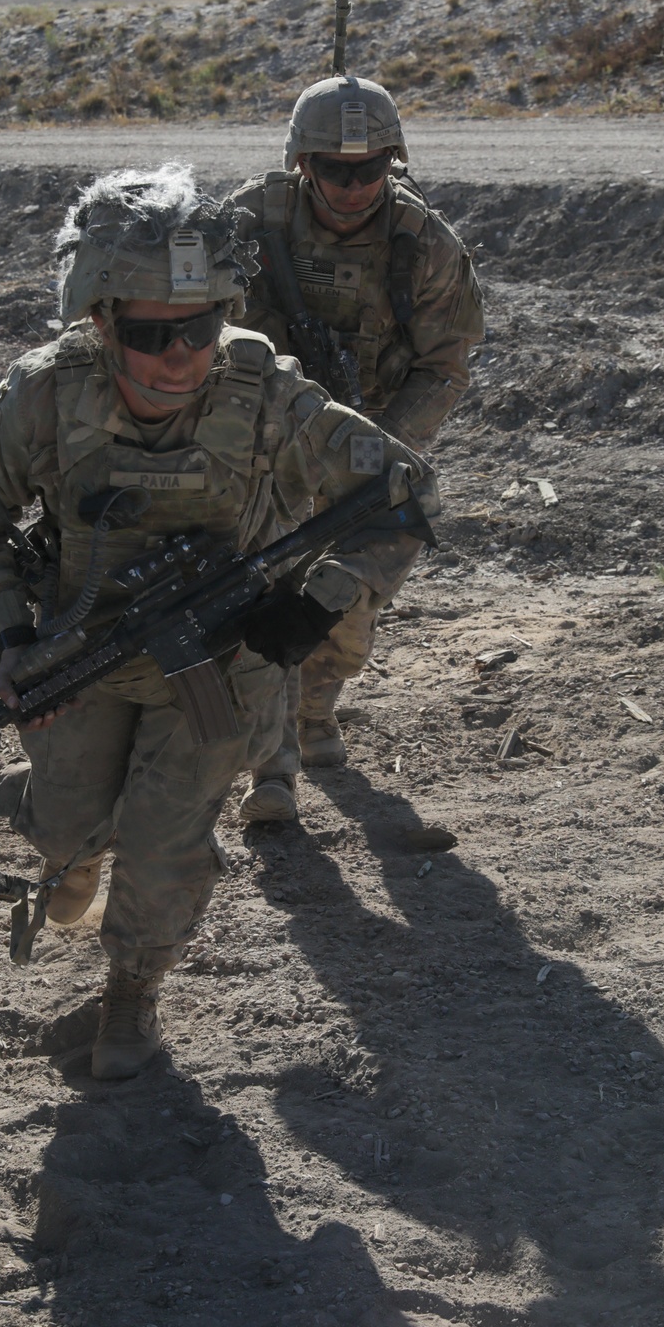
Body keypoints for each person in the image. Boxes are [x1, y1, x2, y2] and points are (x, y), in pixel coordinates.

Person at [0, 164, 439, 1081]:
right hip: (83, 657)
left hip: (223, 661)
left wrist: (318, 602)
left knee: (169, 841)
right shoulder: (43, 396)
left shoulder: (265, 393)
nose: (182, 356)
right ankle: (56, 825)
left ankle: (132, 991)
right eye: (151, 334)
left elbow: (403, 492)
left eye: (203, 326)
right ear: (98, 319)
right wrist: (13, 638)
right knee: (66, 828)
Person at [228, 74, 484, 824]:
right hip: (263, 441)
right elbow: (192, 326)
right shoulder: (249, 224)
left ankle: (316, 708)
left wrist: (381, 447)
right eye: (335, 169)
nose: (352, 185)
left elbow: (448, 363)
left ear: (392, 163)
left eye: (370, 167)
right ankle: (269, 767)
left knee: (345, 599)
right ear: (302, 163)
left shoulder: (423, 245)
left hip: (372, 443)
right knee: (259, 592)